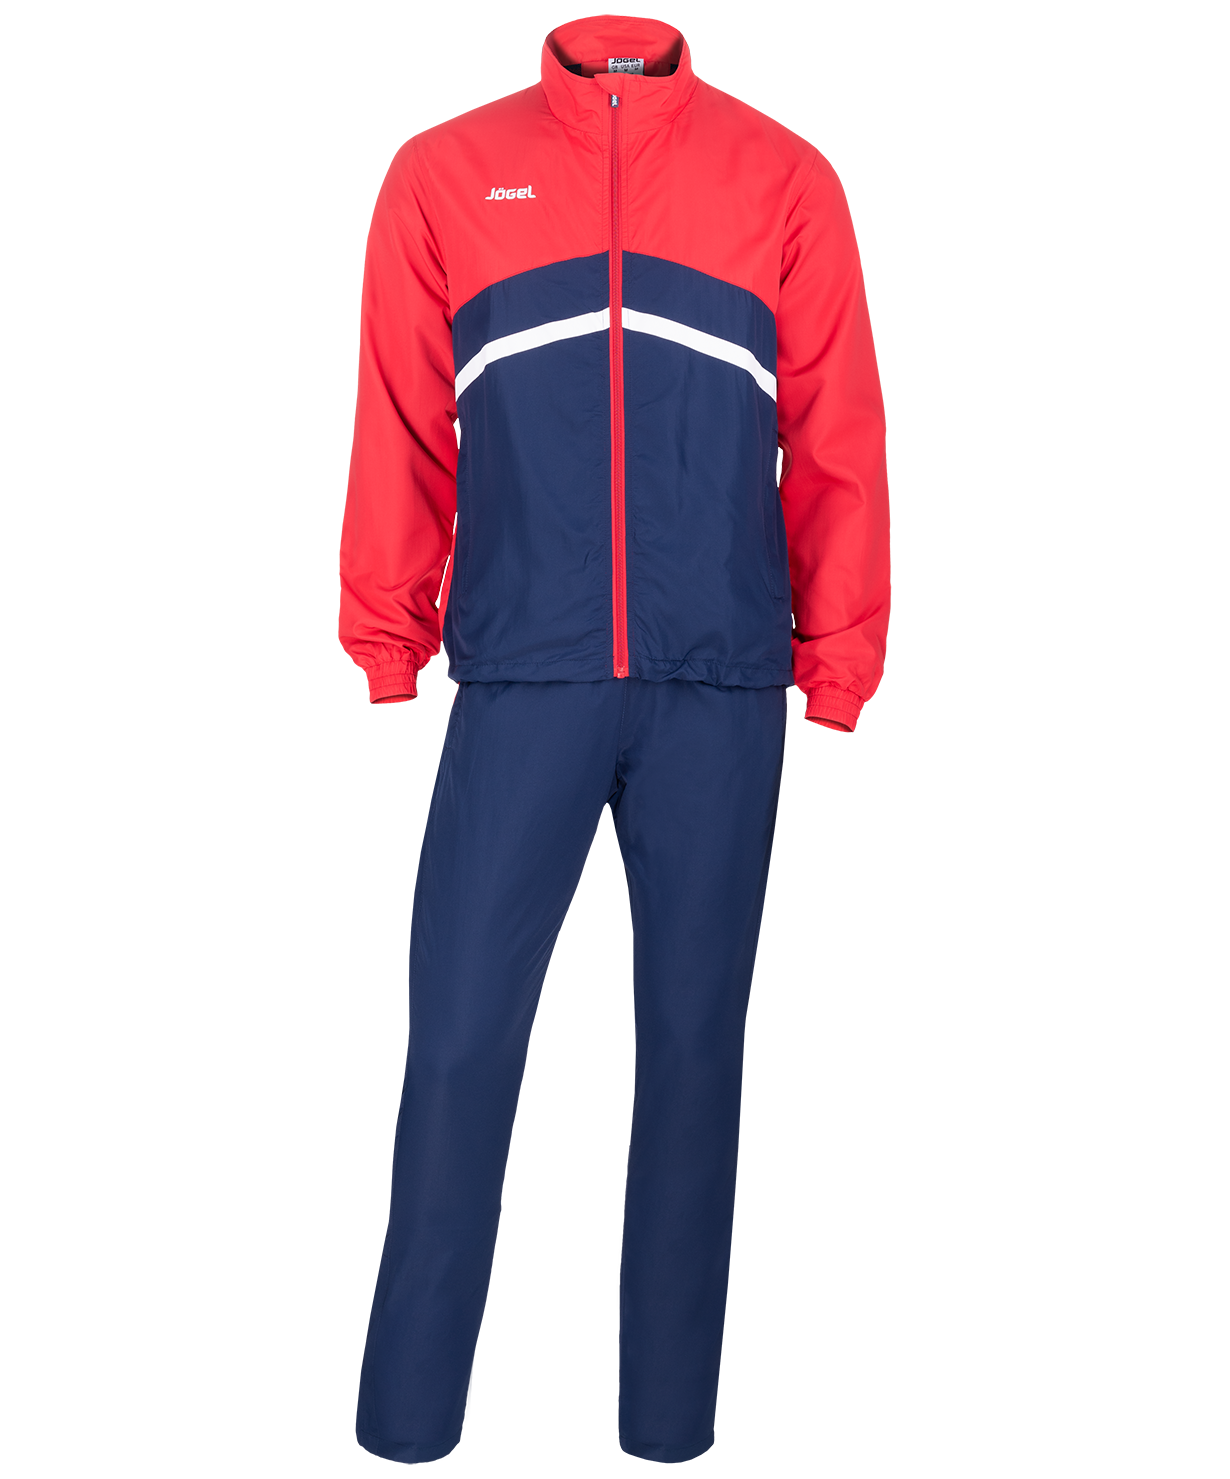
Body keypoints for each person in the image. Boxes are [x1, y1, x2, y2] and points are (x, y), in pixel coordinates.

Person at [339, 15, 889, 1465]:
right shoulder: (446, 174)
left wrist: (837, 677)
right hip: (522, 673)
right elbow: (402, 430)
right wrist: (384, 655)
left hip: (721, 684)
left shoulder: (780, 177)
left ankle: (669, 1441)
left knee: (699, 1065)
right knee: (459, 1044)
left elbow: (838, 439)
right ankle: (406, 1438)